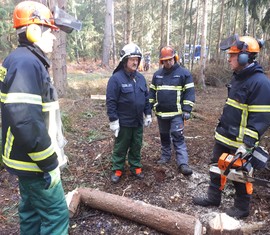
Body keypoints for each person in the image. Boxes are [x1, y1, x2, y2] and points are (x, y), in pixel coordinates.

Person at [0, 1, 81, 234]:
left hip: (25, 161)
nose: (55, 38)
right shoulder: (27, 63)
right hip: (35, 164)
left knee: (31, 214)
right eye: (51, 31)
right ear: (34, 31)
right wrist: (48, 163)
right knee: (56, 215)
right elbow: (24, 119)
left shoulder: (21, 60)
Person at [193, 34, 270, 219]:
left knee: (239, 173)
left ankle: (242, 207)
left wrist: (248, 144)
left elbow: (260, 118)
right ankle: (213, 197)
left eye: (233, 55)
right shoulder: (238, 78)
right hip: (225, 135)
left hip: (240, 142)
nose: (229, 59)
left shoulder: (260, 83)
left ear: (245, 57)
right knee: (215, 166)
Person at [106, 43, 152, 184]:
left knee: (136, 144)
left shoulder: (140, 78)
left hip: (137, 121)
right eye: (132, 59)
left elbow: (145, 98)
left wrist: (148, 114)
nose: (135, 62)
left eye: (137, 59)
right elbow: (111, 101)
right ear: (125, 60)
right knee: (121, 146)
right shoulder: (116, 79)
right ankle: (118, 169)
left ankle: (135, 167)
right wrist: (113, 120)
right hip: (123, 122)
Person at [149, 46, 195, 176]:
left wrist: (187, 109)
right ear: (161, 61)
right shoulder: (157, 75)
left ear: (174, 58)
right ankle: (165, 156)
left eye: (170, 60)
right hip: (161, 113)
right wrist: (150, 107)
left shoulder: (184, 73)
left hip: (177, 113)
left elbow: (190, 93)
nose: (168, 62)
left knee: (177, 136)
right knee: (164, 136)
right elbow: (152, 92)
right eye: (165, 60)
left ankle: (183, 163)